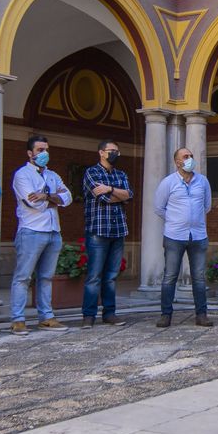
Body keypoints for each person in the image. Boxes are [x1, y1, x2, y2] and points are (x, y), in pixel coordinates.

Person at [10, 134, 71, 334]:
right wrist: (54, 199)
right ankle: (18, 319)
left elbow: (68, 197)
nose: (44, 153)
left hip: (54, 231)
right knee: (23, 277)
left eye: (46, 149)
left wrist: (46, 195)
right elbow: (32, 202)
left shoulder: (52, 175)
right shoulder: (22, 175)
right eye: (39, 150)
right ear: (30, 153)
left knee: (46, 277)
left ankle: (46, 317)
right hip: (31, 230)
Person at [155, 146, 214, 328]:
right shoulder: (168, 182)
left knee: (199, 277)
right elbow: (159, 208)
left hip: (198, 236)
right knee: (170, 276)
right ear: (177, 162)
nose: (189, 159)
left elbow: (207, 206)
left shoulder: (202, 181)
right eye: (185, 156)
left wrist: (193, 220)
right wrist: (176, 220)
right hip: (174, 236)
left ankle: (201, 315)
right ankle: (166, 315)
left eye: (191, 156)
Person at [81, 139, 132, 327]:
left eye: (117, 151)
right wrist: (118, 194)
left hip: (118, 230)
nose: (116, 154)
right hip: (98, 231)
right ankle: (89, 315)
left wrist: (111, 189)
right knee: (94, 276)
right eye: (112, 151)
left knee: (111, 276)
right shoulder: (91, 173)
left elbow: (129, 195)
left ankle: (110, 313)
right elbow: (102, 198)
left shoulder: (121, 173)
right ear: (101, 152)